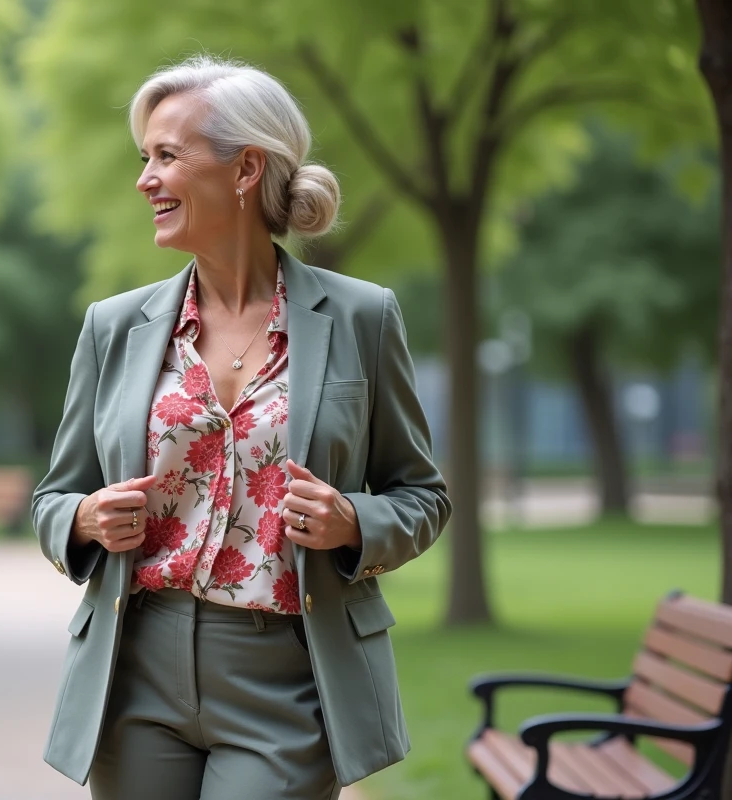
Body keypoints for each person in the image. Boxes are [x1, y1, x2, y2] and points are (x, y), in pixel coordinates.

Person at [33, 55, 451, 800]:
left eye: (167, 156)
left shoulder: (362, 317)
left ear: (245, 169)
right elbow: (54, 498)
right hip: (136, 669)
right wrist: (84, 519)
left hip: (286, 676)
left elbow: (422, 495)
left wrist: (354, 521)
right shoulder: (114, 327)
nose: (145, 180)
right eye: (144, 159)